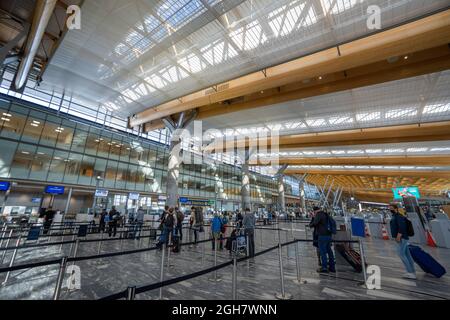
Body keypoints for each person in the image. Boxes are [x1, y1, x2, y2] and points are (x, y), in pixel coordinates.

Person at [389, 204, 416, 279]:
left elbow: (402, 227)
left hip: (402, 238)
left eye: (391, 208)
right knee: (407, 255)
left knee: (401, 254)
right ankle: (412, 271)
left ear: (395, 209)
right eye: (389, 208)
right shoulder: (395, 216)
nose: (390, 209)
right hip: (402, 238)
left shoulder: (399, 216)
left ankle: (410, 272)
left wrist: (398, 236)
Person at [310, 206, 335, 273]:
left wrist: (313, 217)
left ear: (315, 211)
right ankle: (332, 267)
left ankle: (324, 267)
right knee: (329, 251)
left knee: (322, 251)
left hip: (322, 236)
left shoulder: (318, 215)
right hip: (328, 235)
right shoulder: (325, 214)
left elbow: (313, 224)